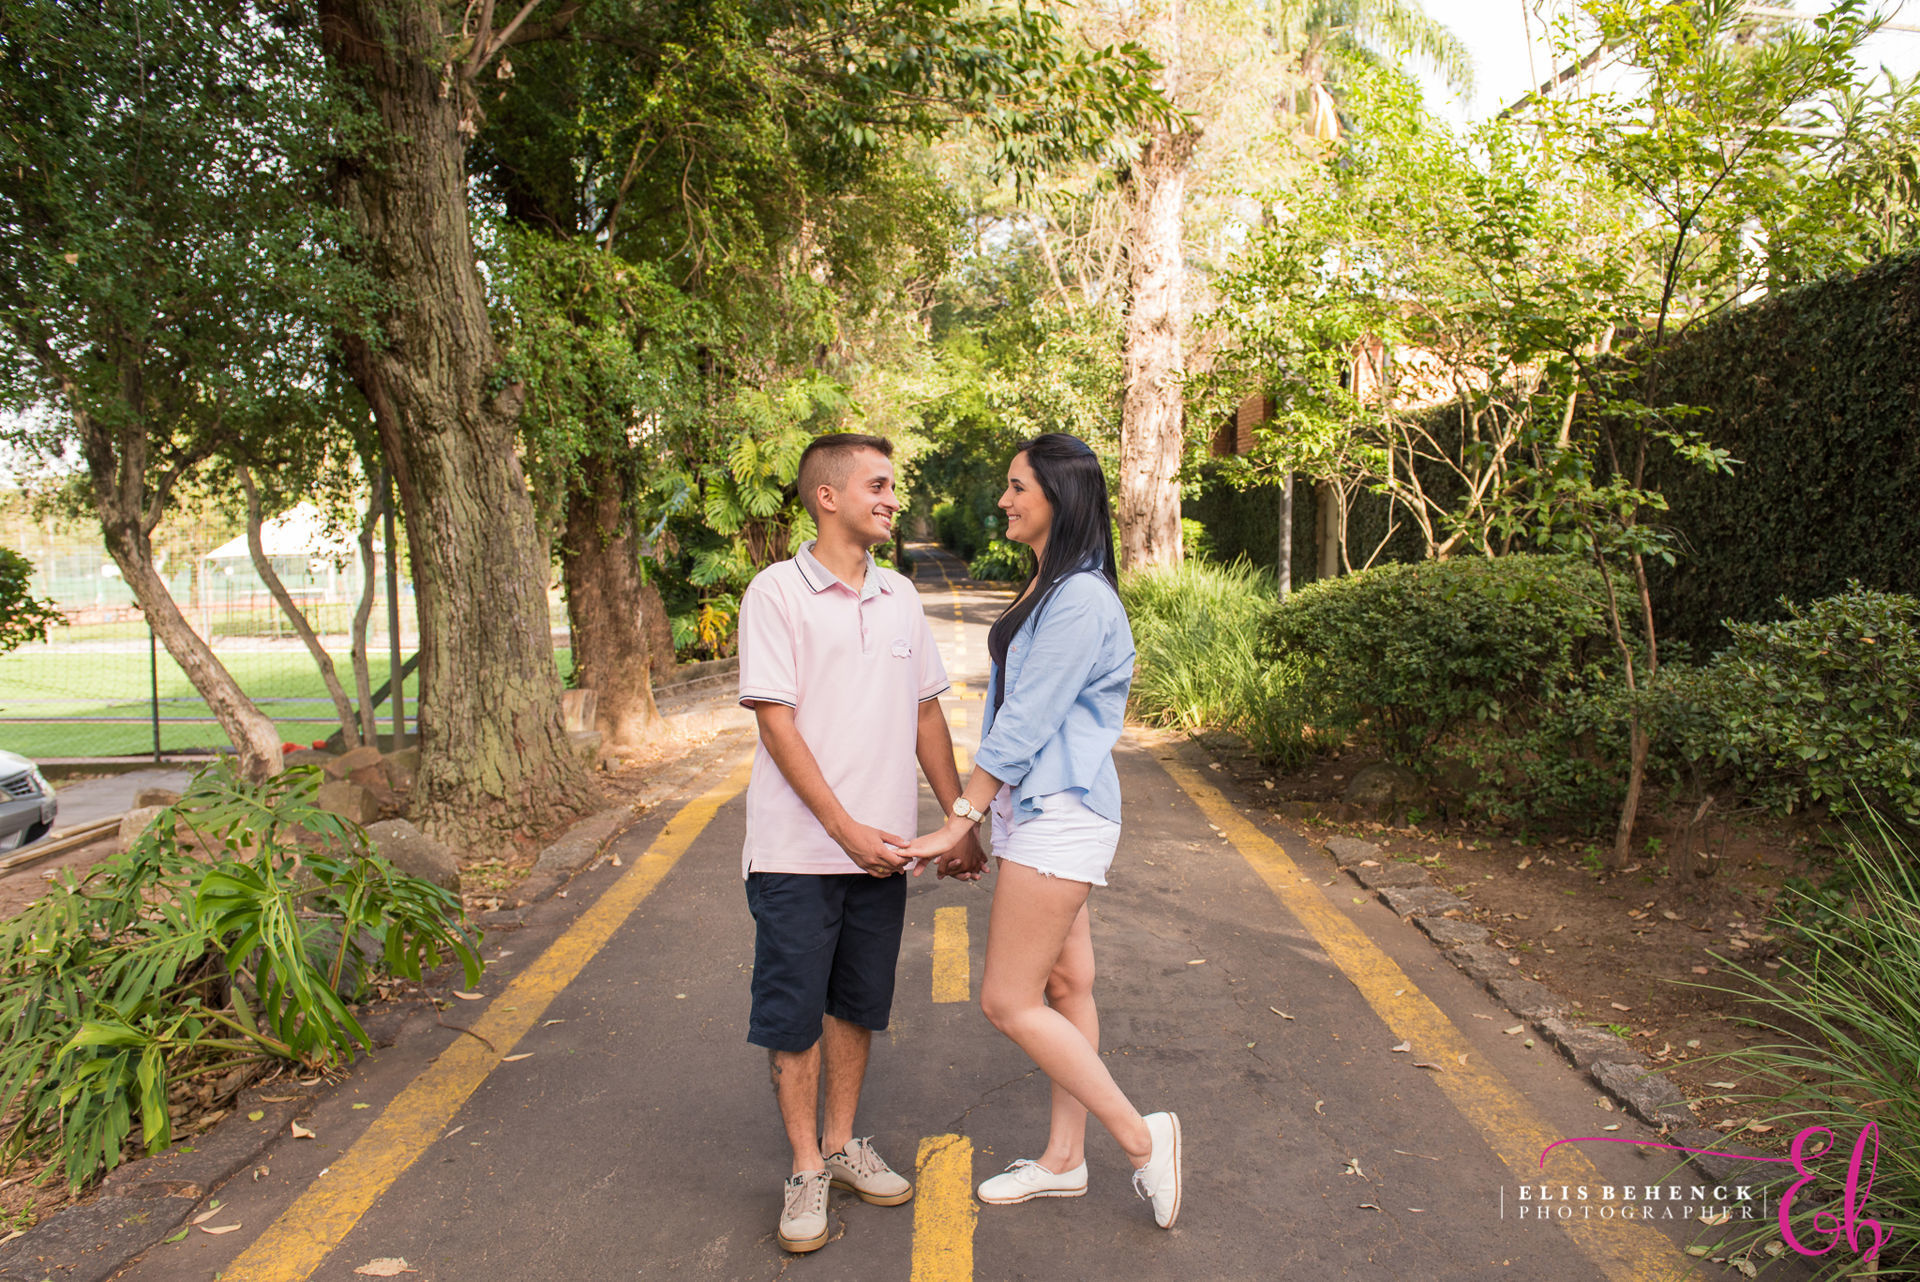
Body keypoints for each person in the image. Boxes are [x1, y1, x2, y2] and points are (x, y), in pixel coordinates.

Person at [902, 432, 1182, 1229]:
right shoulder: (1050, 587)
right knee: (1065, 987)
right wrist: (986, 818)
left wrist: (958, 817)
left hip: (1061, 814)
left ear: (1060, 495)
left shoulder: (1082, 599)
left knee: (1007, 999)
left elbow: (1026, 722)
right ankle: (1064, 1161)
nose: (1004, 500)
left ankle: (1139, 1137)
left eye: (1018, 485)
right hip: (1042, 814)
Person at [736, 431, 986, 1255]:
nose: (892, 498)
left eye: (893, 485)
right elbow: (777, 723)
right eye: (877, 484)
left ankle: (842, 1143)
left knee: (857, 1004)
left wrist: (957, 816)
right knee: (794, 1012)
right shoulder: (776, 593)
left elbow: (924, 714)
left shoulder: (902, 596)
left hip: (885, 852)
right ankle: (805, 1164)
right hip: (798, 854)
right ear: (827, 497)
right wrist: (843, 831)